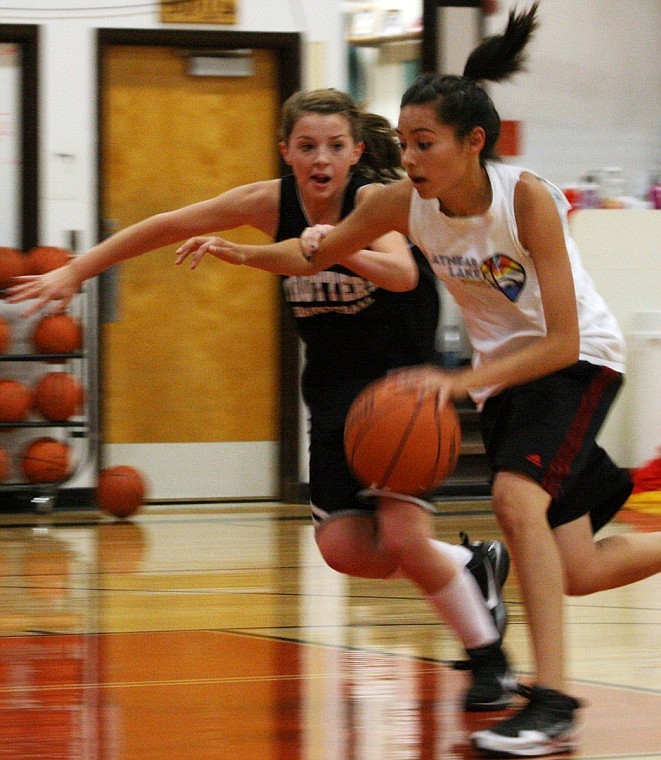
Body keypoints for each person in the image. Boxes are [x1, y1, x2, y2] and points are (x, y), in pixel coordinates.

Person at [165, 7, 661, 757]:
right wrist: (241, 255)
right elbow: (312, 255)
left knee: (512, 498)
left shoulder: (524, 198)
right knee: (577, 570)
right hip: (504, 381)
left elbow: (560, 339)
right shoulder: (397, 202)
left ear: (473, 143)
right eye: (403, 142)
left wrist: (458, 384)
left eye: (423, 143)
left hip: (575, 360)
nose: (409, 156)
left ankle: (552, 701)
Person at [9, 88, 513, 712]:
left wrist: (327, 246)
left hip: (400, 389)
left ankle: (489, 661)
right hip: (332, 391)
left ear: (356, 151)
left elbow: (402, 274)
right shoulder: (270, 202)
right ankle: (470, 565)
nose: (320, 158)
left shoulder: (374, 202)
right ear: (286, 153)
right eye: (306, 147)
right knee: (342, 550)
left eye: (334, 146)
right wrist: (77, 270)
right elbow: (169, 224)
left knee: (405, 539)